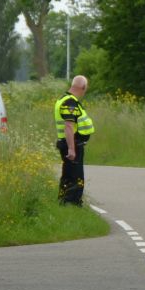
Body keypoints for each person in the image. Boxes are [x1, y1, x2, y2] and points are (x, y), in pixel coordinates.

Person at [54, 75, 95, 206]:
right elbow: (69, 125)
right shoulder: (70, 102)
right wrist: (72, 148)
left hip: (70, 143)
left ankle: (64, 201)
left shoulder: (64, 99)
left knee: (68, 174)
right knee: (76, 177)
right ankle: (72, 203)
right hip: (72, 144)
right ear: (83, 88)